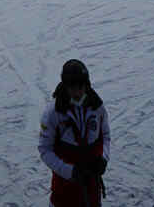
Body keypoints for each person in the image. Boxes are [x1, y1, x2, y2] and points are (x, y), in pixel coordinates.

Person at [38, 58, 109, 207]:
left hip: (92, 187)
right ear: (65, 86)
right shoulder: (53, 113)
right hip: (64, 191)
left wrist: (103, 158)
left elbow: (105, 136)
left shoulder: (97, 107)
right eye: (71, 87)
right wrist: (69, 171)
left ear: (87, 84)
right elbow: (45, 150)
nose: (77, 92)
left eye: (80, 86)